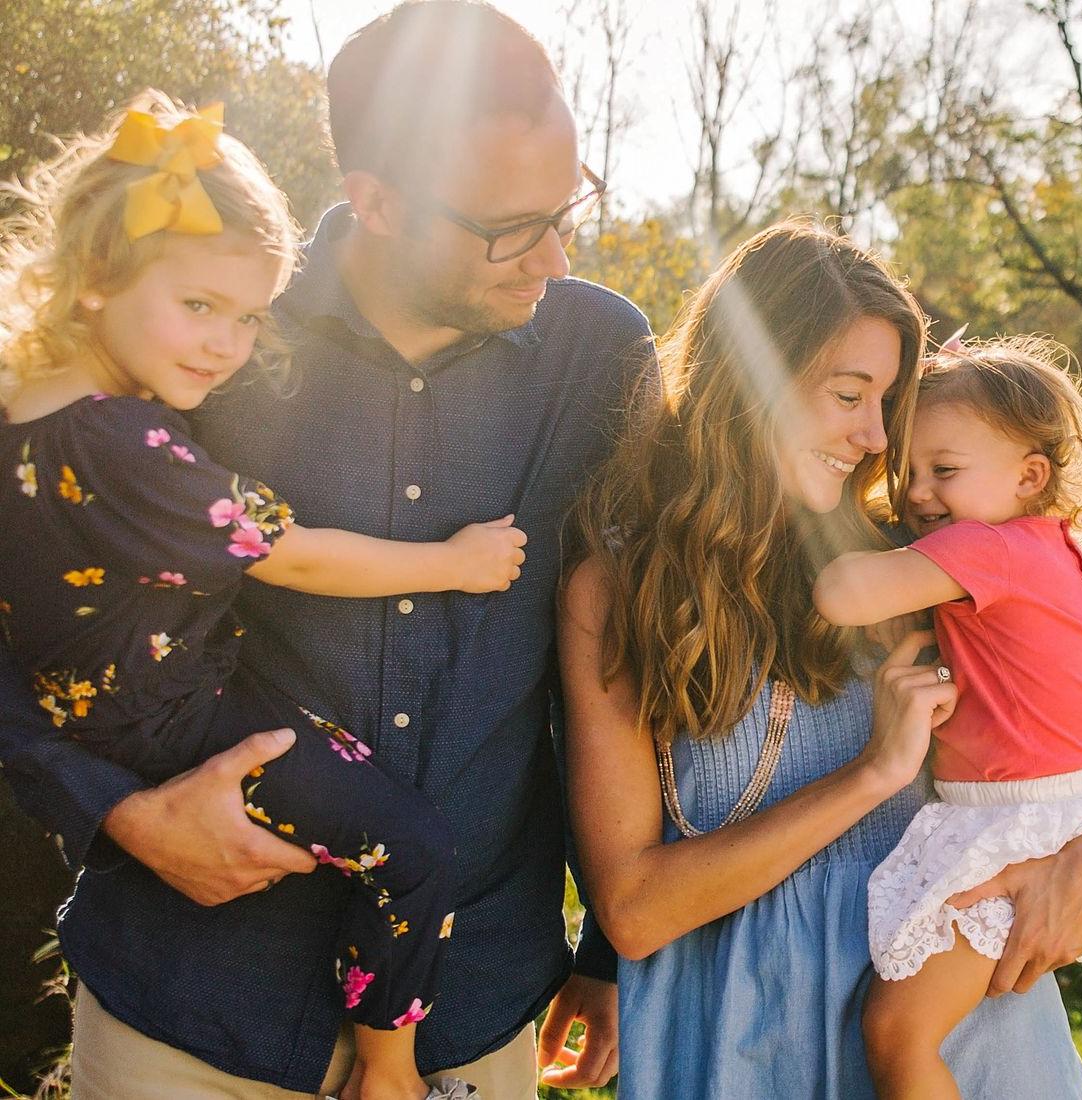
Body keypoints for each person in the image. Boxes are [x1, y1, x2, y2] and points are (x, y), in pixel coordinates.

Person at [0, 2, 649, 1096]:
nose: (555, 252)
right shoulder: (201, 327)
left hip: (472, 1009)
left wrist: (609, 946)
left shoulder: (602, 355)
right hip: (185, 1001)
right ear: (376, 201)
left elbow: (636, 649)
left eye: (566, 207)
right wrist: (117, 811)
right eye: (508, 225)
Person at [559, 221, 1082, 1098]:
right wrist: (873, 774)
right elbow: (635, 913)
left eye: (888, 402)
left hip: (953, 1035)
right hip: (740, 1034)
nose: (877, 437)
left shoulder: (907, 563)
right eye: (848, 394)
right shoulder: (617, 591)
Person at [812, 335, 1082, 1098]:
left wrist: (837, 532)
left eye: (944, 472)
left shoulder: (993, 549)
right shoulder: (1054, 548)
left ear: (1029, 477)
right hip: (1042, 808)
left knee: (898, 1035)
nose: (918, 495)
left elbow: (842, 595)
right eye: (908, 472)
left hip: (1008, 826)